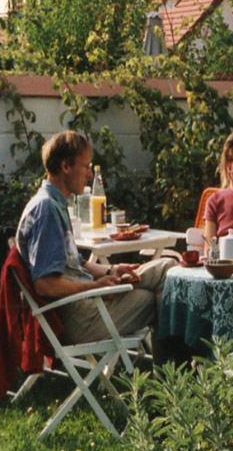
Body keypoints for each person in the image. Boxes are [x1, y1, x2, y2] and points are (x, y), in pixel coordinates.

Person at [16, 130, 175, 343]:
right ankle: (173, 362)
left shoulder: (54, 204)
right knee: (157, 299)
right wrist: (95, 287)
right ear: (65, 166)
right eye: (86, 167)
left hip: (83, 302)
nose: (90, 174)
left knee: (166, 268)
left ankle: (171, 360)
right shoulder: (46, 210)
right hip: (78, 317)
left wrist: (110, 270)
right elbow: (45, 284)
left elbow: (75, 263)